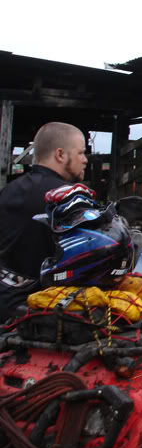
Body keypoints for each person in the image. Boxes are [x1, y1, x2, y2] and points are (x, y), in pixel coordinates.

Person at [0, 122, 88, 313]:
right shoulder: (72, 197)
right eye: (80, 153)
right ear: (60, 154)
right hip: (38, 310)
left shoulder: (8, 191)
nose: (85, 160)